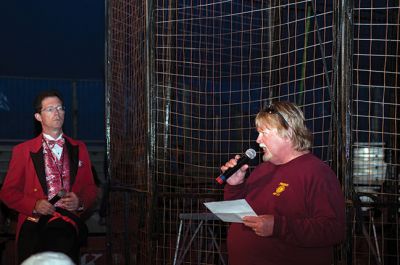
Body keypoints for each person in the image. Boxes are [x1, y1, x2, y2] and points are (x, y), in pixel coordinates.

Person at [221, 101, 345, 265]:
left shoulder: (316, 173)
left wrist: (278, 227)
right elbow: (237, 215)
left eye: (264, 132)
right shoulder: (262, 170)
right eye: (258, 133)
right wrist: (235, 185)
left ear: (288, 133)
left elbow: (333, 230)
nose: (258, 140)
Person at [0, 90, 98, 264]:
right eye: (50, 109)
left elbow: (90, 188)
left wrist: (80, 202)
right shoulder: (22, 150)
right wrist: (34, 205)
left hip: (66, 224)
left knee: (61, 236)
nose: (57, 113)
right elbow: (7, 192)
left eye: (60, 108)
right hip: (34, 223)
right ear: (38, 117)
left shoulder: (79, 147)